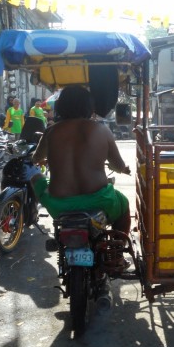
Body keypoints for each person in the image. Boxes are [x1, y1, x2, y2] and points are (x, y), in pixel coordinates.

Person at [31, 85, 131, 236]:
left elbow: (36, 158)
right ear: (90, 108)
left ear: (60, 107)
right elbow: (118, 165)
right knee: (123, 205)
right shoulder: (102, 130)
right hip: (99, 201)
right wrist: (122, 169)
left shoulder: (51, 131)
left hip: (59, 205)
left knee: (36, 178)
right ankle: (118, 250)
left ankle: (32, 215)